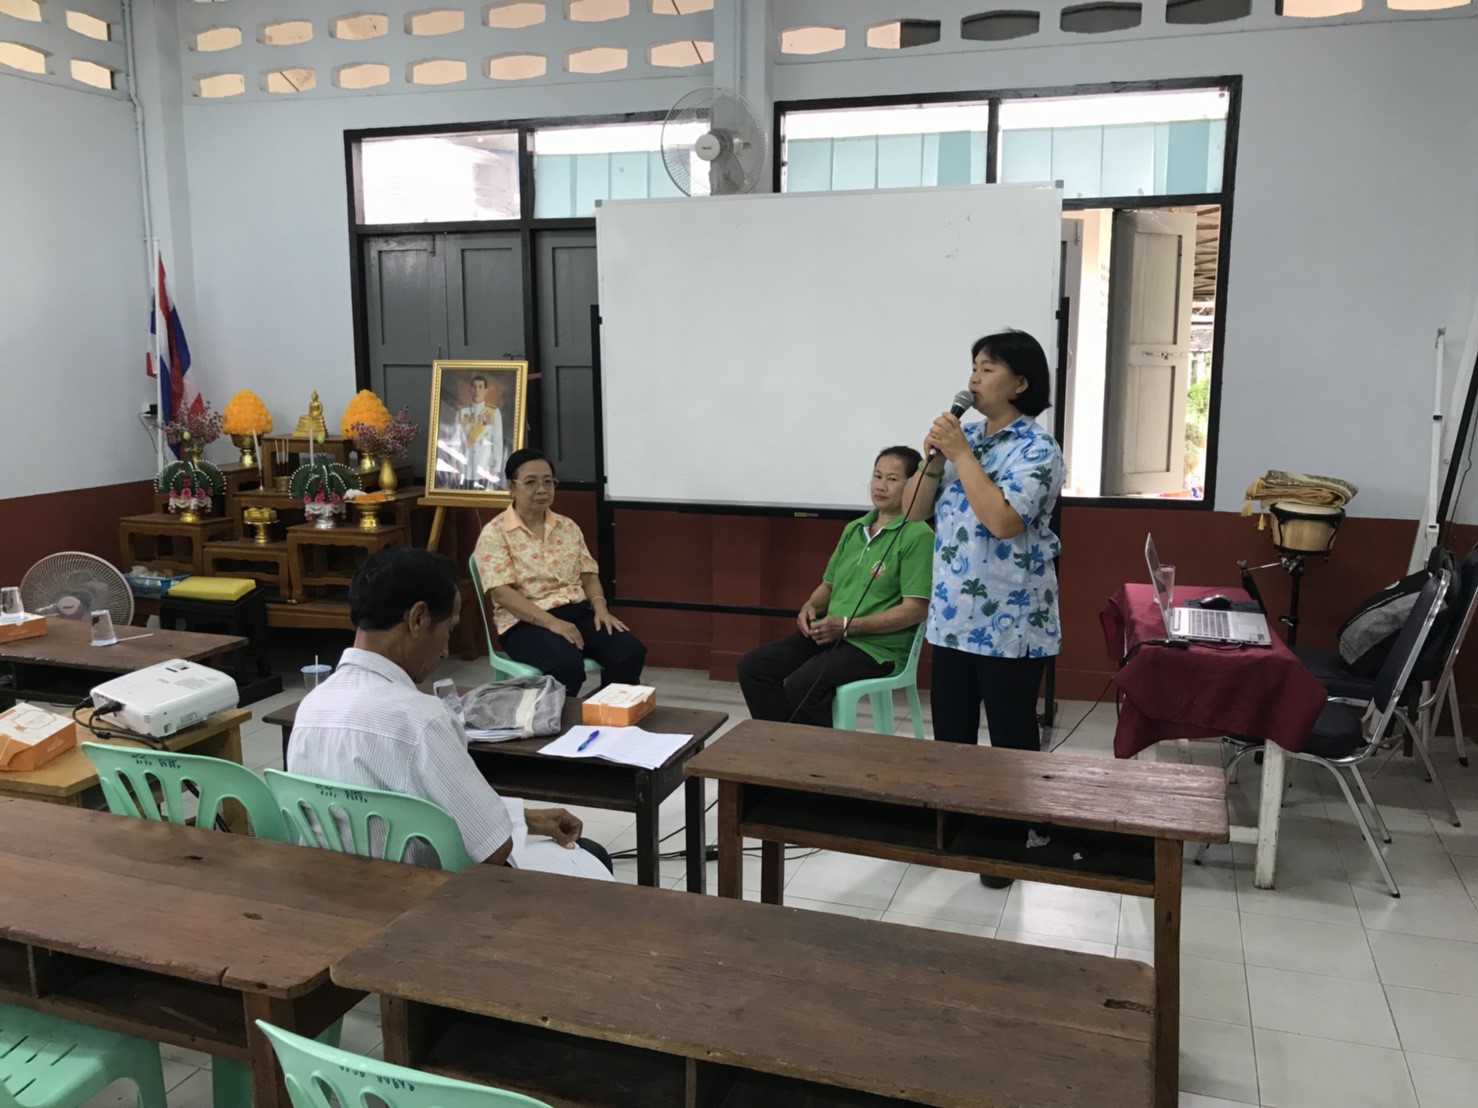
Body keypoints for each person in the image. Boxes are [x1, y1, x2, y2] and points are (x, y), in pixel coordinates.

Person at [288, 547, 613, 879]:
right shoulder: (423, 720)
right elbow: (494, 849)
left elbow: (385, 808)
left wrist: (526, 817)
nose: (445, 649)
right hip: (427, 893)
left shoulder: (311, 707)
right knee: (592, 854)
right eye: (448, 629)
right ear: (418, 618)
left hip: (337, 885)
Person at [738, 447, 933, 727]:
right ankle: (785, 743)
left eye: (892, 479)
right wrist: (810, 607)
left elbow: (915, 610)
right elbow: (828, 586)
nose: (880, 486)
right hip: (832, 634)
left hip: (878, 648)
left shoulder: (918, 535)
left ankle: (814, 751)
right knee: (754, 667)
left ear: (913, 485)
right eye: (877, 476)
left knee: (803, 684)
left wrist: (847, 626)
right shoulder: (854, 529)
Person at [474, 447, 646, 697]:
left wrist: (600, 609)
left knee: (629, 651)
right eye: (531, 482)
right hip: (524, 622)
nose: (542, 490)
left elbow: (588, 575)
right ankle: (557, 718)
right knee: (565, 664)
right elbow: (502, 594)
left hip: (576, 613)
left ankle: (605, 712)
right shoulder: (494, 533)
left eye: (548, 482)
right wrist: (553, 623)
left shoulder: (567, 526)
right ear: (511, 487)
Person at [457, 374, 505, 489]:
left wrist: (496, 468)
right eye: (474, 387)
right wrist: (456, 467)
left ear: (486, 390)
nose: (477, 390)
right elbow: (457, 440)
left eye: (480, 387)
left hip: (485, 466)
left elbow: (497, 441)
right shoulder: (461, 412)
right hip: (465, 467)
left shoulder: (493, 412)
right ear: (470, 390)